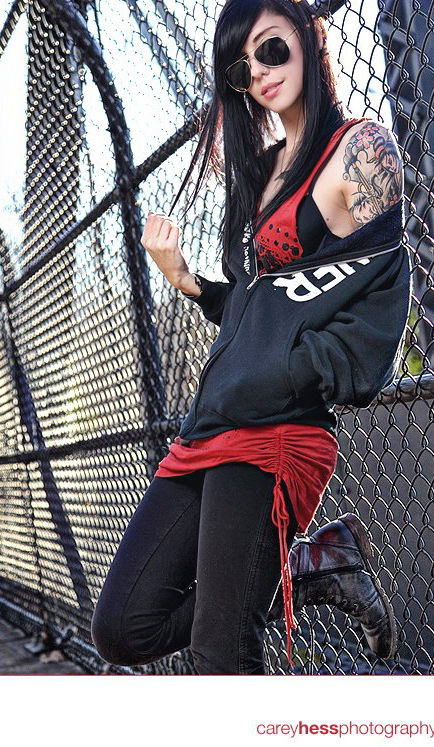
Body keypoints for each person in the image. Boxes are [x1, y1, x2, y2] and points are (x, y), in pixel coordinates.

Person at [91, 0, 411, 675]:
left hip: (276, 430)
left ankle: (287, 579)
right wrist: (191, 284)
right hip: (210, 425)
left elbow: (380, 298)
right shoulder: (263, 169)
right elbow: (261, 310)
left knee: (221, 656)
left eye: (270, 48)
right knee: (122, 627)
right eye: (242, 68)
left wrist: (287, 374)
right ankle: (311, 567)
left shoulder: (360, 150)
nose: (261, 72)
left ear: (307, 35)